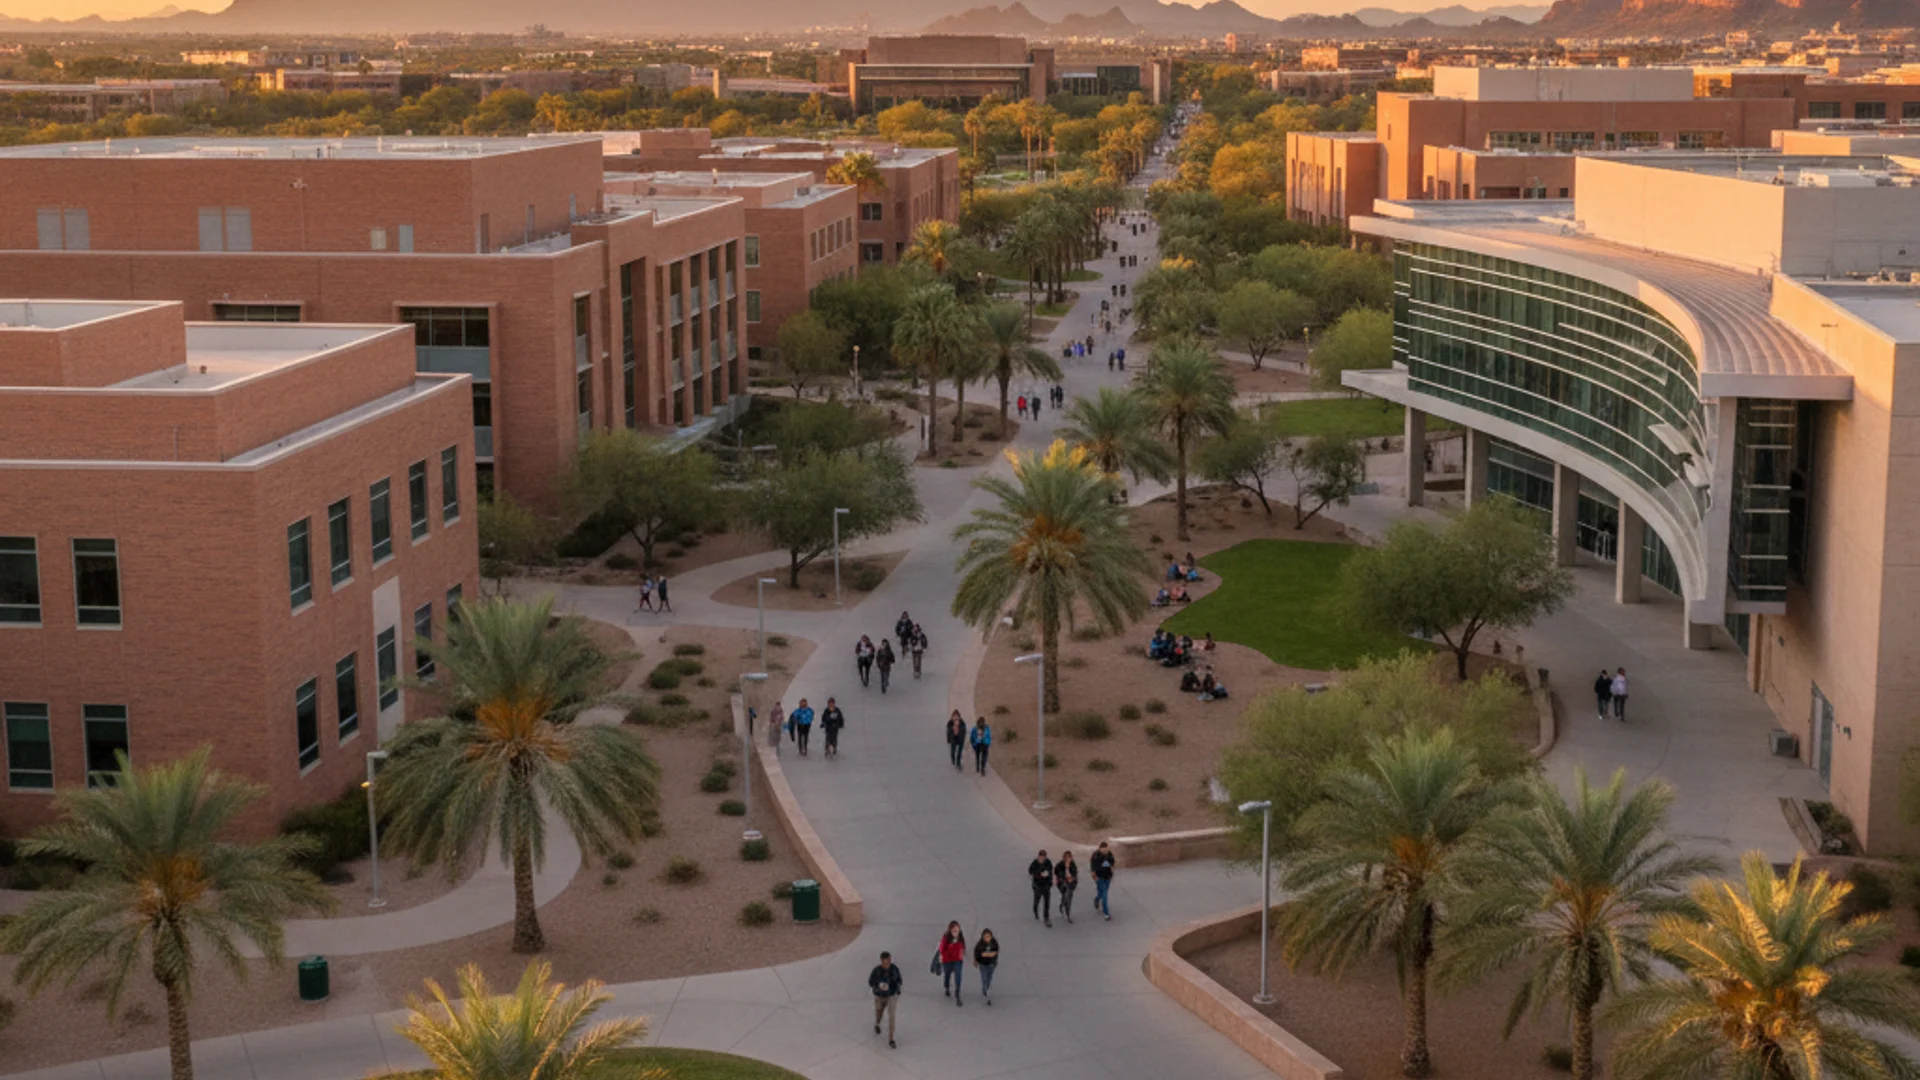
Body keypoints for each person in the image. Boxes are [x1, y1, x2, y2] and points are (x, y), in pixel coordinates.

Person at [869, 951, 903, 1048]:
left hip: (891, 996)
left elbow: (900, 980)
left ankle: (891, 1038)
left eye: (889, 960)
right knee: (879, 1011)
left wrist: (896, 989)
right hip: (880, 996)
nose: (889, 962)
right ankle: (877, 1023)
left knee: (892, 1015)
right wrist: (878, 986)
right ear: (882, 961)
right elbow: (871, 982)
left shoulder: (894, 969)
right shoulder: (877, 971)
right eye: (886, 961)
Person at [937, 921, 967, 1005]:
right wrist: (942, 957)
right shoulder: (946, 937)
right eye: (954, 930)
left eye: (957, 930)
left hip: (958, 960)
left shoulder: (960, 937)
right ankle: (946, 987)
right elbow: (941, 948)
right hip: (948, 960)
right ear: (950, 930)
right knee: (947, 975)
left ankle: (957, 993)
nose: (956, 931)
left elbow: (963, 946)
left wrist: (962, 953)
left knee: (958, 976)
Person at [973, 928, 999, 1005]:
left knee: (989, 977)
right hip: (983, 964)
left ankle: (986, 988)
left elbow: (996, 952)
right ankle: (987, 992)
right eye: (985, 937)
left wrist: (992, 958)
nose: (987, 938)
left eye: (988, 936)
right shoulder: (980, 944)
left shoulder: (994, 943)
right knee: (984, 978)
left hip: (991, 964)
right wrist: (976, 961)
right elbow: (977, 953)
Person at [1029, 848, 1055, 927]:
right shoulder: (1035, 863)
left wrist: (1049, 879)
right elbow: (1030, 872)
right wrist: (1040, 874)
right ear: (1039, 856)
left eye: (1044, 856)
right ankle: (1035, 910)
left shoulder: (1048, 862)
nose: (1042, 858)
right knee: (1037, 900)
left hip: (1046, 885)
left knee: (1047, 902)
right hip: (1038, 885)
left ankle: (1046, 917)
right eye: (1041, 856)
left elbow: (1050, 871)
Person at [1090, 841, 1116, 920]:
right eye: (1103, 850)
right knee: (1104, 895)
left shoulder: (1109, 854)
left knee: (1101, 893)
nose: (1105, 851)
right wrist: (1094, 876)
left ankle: (1097, 899)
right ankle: (1106, 914)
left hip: (1107, 877)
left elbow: (1113, 862)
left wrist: (1108, 858)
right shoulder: (1095, 855)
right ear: (1100, 848)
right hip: (1100, 877)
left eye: (1106, 849)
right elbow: (1093, 867)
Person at [1055, 850, 1080, 924]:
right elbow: (1056, 871)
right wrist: (1063, 876)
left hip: (1071, 884)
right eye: (1066, 858)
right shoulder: (1060, 864)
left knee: (1068, 899)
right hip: (1063, 884)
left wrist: (1072, 877)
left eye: (1069, 857)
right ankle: (1067, 914)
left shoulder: (1073, 864)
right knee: (1066, 897)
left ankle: (1065, 909)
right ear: (1064, 858)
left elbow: (1075, 873)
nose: (1068, 859)